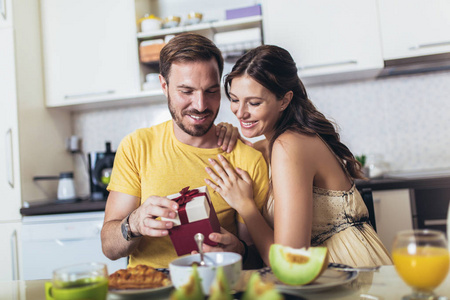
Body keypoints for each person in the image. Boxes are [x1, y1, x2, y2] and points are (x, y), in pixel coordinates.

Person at [204, 45, 392, 267]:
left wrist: (245, 206)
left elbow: (290, 262)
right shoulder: (269, 146)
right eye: (235, 99)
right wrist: (229, 133)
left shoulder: (289, 145)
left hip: (348, 269)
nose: (240, 112)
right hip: (328, 270)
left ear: (284, 100)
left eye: (254, 103)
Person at [100, 33, 269, 269]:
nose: (200, 105)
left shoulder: (246, 160)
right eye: (186, 91)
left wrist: (239, 250)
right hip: (150, 290)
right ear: (164, 86)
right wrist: (134, 223)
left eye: (210, 91)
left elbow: (260, 258)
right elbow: (109, 247)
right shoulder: (137, 147)